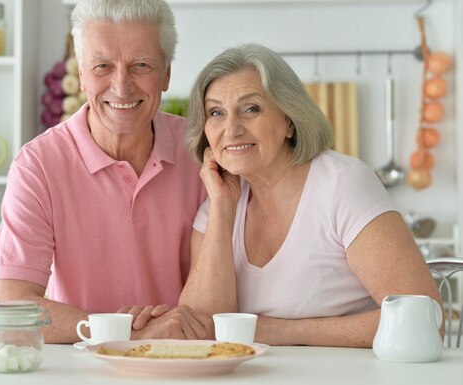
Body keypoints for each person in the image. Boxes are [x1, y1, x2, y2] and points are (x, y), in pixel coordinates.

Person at [178, 43, 442, 348]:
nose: (231, 129)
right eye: (216, 113)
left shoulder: (342, 185)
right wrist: (223, 208)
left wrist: (281, 331)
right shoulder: (216, 205)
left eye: (251, 109)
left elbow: (426, 321)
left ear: (289, 120)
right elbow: (200, 330)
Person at [0, 0, 209, 344]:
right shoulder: (39, 166)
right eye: (102, 66)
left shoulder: (201, 151)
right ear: (81, 73)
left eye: (141, 65)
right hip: (81, 369)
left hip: (184, 362)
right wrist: (126, 334)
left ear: (166, 74)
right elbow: (11, 310)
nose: (121, 87)